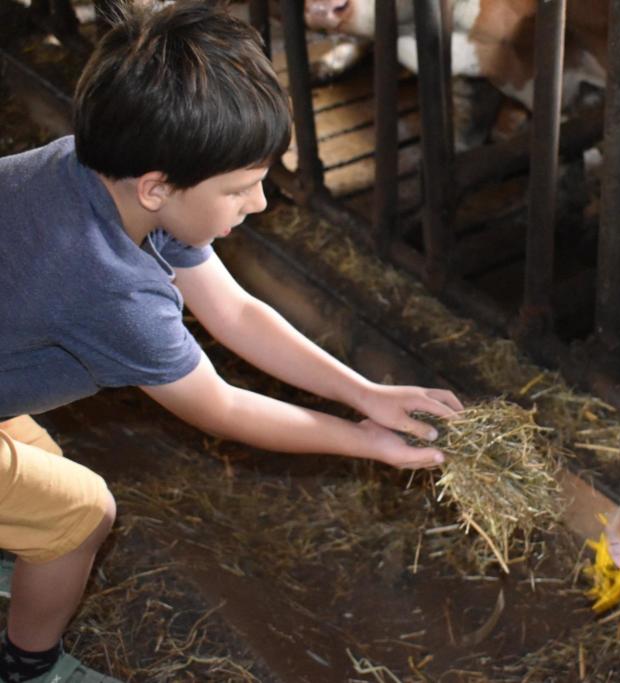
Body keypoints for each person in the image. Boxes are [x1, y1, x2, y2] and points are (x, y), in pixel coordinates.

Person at [0, 2, 463, 680]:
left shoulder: (99, 167)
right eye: (242, 188)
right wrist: (363, 439)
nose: (261, 205)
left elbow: (236, 312)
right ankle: (27, 664)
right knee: (81, 514)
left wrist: (364, 392)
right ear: (160, 187)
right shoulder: (112, 289)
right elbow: (223, 408)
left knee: (39, 465)